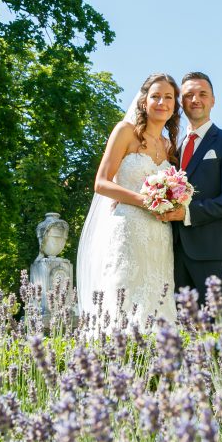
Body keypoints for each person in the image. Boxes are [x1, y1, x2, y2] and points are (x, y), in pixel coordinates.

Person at [76, 73, 181, 328]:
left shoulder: (169, 146)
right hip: (128, 229)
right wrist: (144, 201)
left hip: (159, 235)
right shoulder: (125, 132)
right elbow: (101, 182)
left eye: (168, 97)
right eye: (155, 96)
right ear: (144, 101)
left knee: (159, 299)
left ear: (174, 105)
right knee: (123, 294)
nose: (162, 102)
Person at [157, 72, 222, 328]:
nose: (196, 99)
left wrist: (187, 214)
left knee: (220, 332)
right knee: (182, 334)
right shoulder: (172, 148)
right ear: (181, 103)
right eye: (188, 95)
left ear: (213, 101)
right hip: (172, 253)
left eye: (202, 94)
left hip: (214, 254)